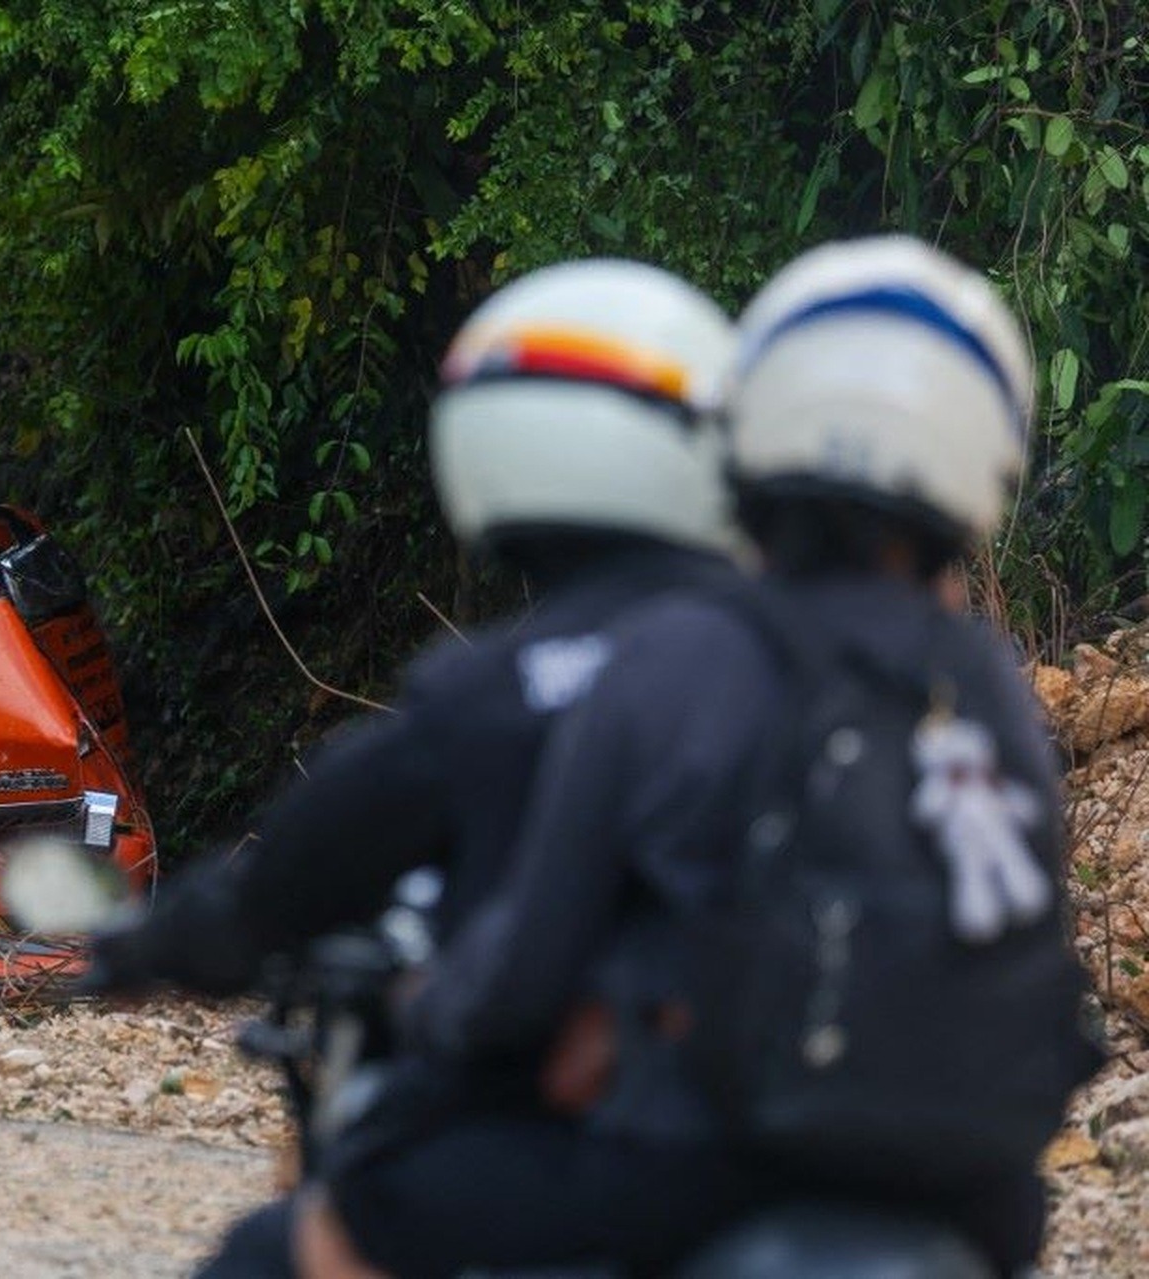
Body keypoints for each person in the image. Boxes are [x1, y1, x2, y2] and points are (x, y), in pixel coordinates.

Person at [301, 234, 1100, 1278]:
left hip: (718, 1157)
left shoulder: (686, 650)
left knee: (351, 1209)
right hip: (983, 1195)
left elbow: (531, 957)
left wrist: (431, 1005)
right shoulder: (991, 683)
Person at [84, 258, 747, 1276]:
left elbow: (291, 875)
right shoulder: (798, 662)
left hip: (580, 1146)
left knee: (269, 1254)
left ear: (496, 440)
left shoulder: (497, 691)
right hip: (800, 1143)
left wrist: (158, 941)